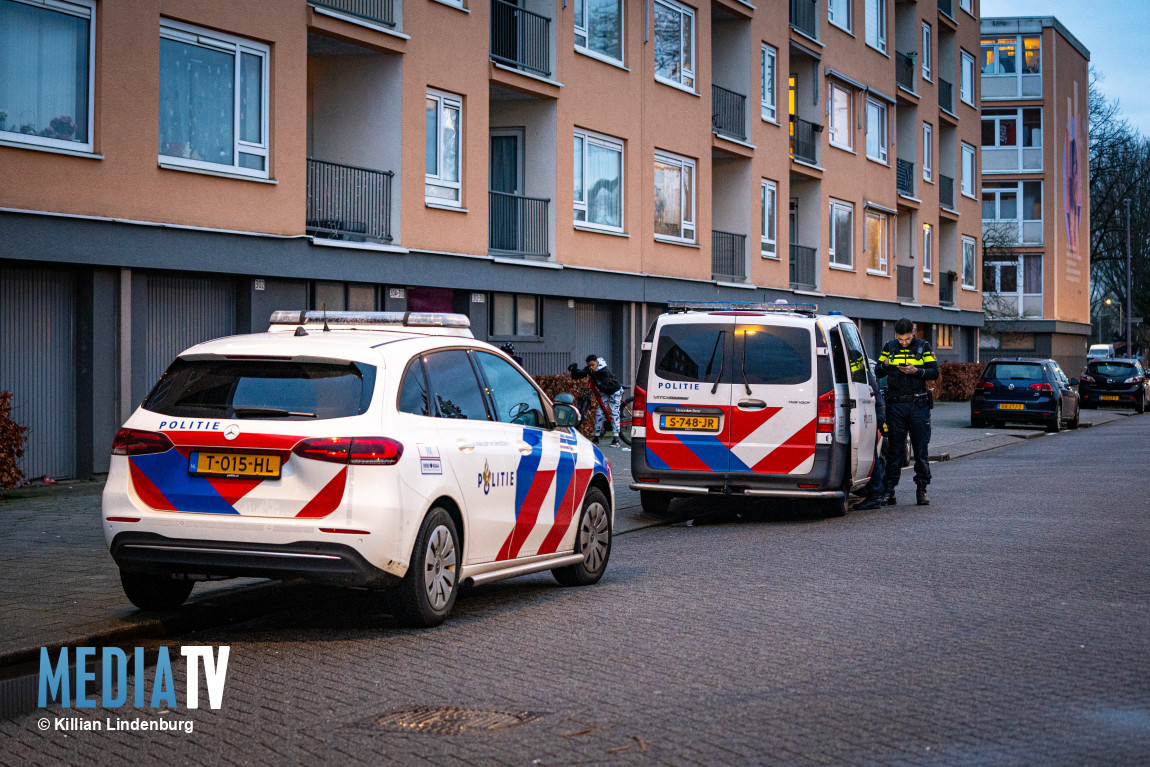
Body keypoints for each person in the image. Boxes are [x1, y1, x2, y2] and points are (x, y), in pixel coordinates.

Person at [869, 318, 938, 506]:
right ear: (895, 335)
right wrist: (886, 363)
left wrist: (916, 371)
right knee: (895, 450)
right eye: (901, 339)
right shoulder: (889, 347)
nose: (904, 343)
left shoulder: (923, 347)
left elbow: (934, 372)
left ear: (913, 333)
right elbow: (878, 372)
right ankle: (889, 491)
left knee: (920, 449)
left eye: (907, 339)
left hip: (918, 404)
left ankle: (922, 490)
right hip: (896, 405)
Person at [856, 362, 891, 509]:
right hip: (877, 412)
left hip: (874, 413)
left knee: (872, 455)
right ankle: (876, 494)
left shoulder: (860, 373)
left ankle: (875, 495)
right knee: (872, 454)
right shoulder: (865, 372)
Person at [569, 354, 623, 446]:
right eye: (589, 365)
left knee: (614, 413)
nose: (591, 367)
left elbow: (603, 387)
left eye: (593, 365)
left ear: (597, 363)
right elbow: (582, 374)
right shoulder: (591, 368)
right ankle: (596, 438)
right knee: (599, 413)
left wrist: (594, 376)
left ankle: (616, 440)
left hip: (614, 391)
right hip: (604, 391)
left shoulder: (604, 371)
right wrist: (574, 370)